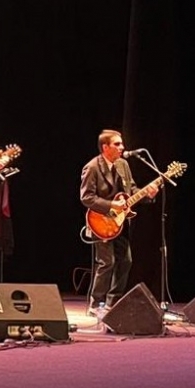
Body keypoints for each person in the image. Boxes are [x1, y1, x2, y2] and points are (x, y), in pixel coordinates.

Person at [80, 129, 157, 316]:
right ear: (105, 147)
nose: (122, 147)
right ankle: (95, 303)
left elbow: (131, 191)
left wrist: (148, 194)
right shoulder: (92, 168)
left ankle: (112, 302)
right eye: (117, 144)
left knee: (126, 260)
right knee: (106, 262)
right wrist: (111, 205)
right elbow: (86, 197)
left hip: (120, 222)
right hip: (100, 221)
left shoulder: (123, 165)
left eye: (121, 144)